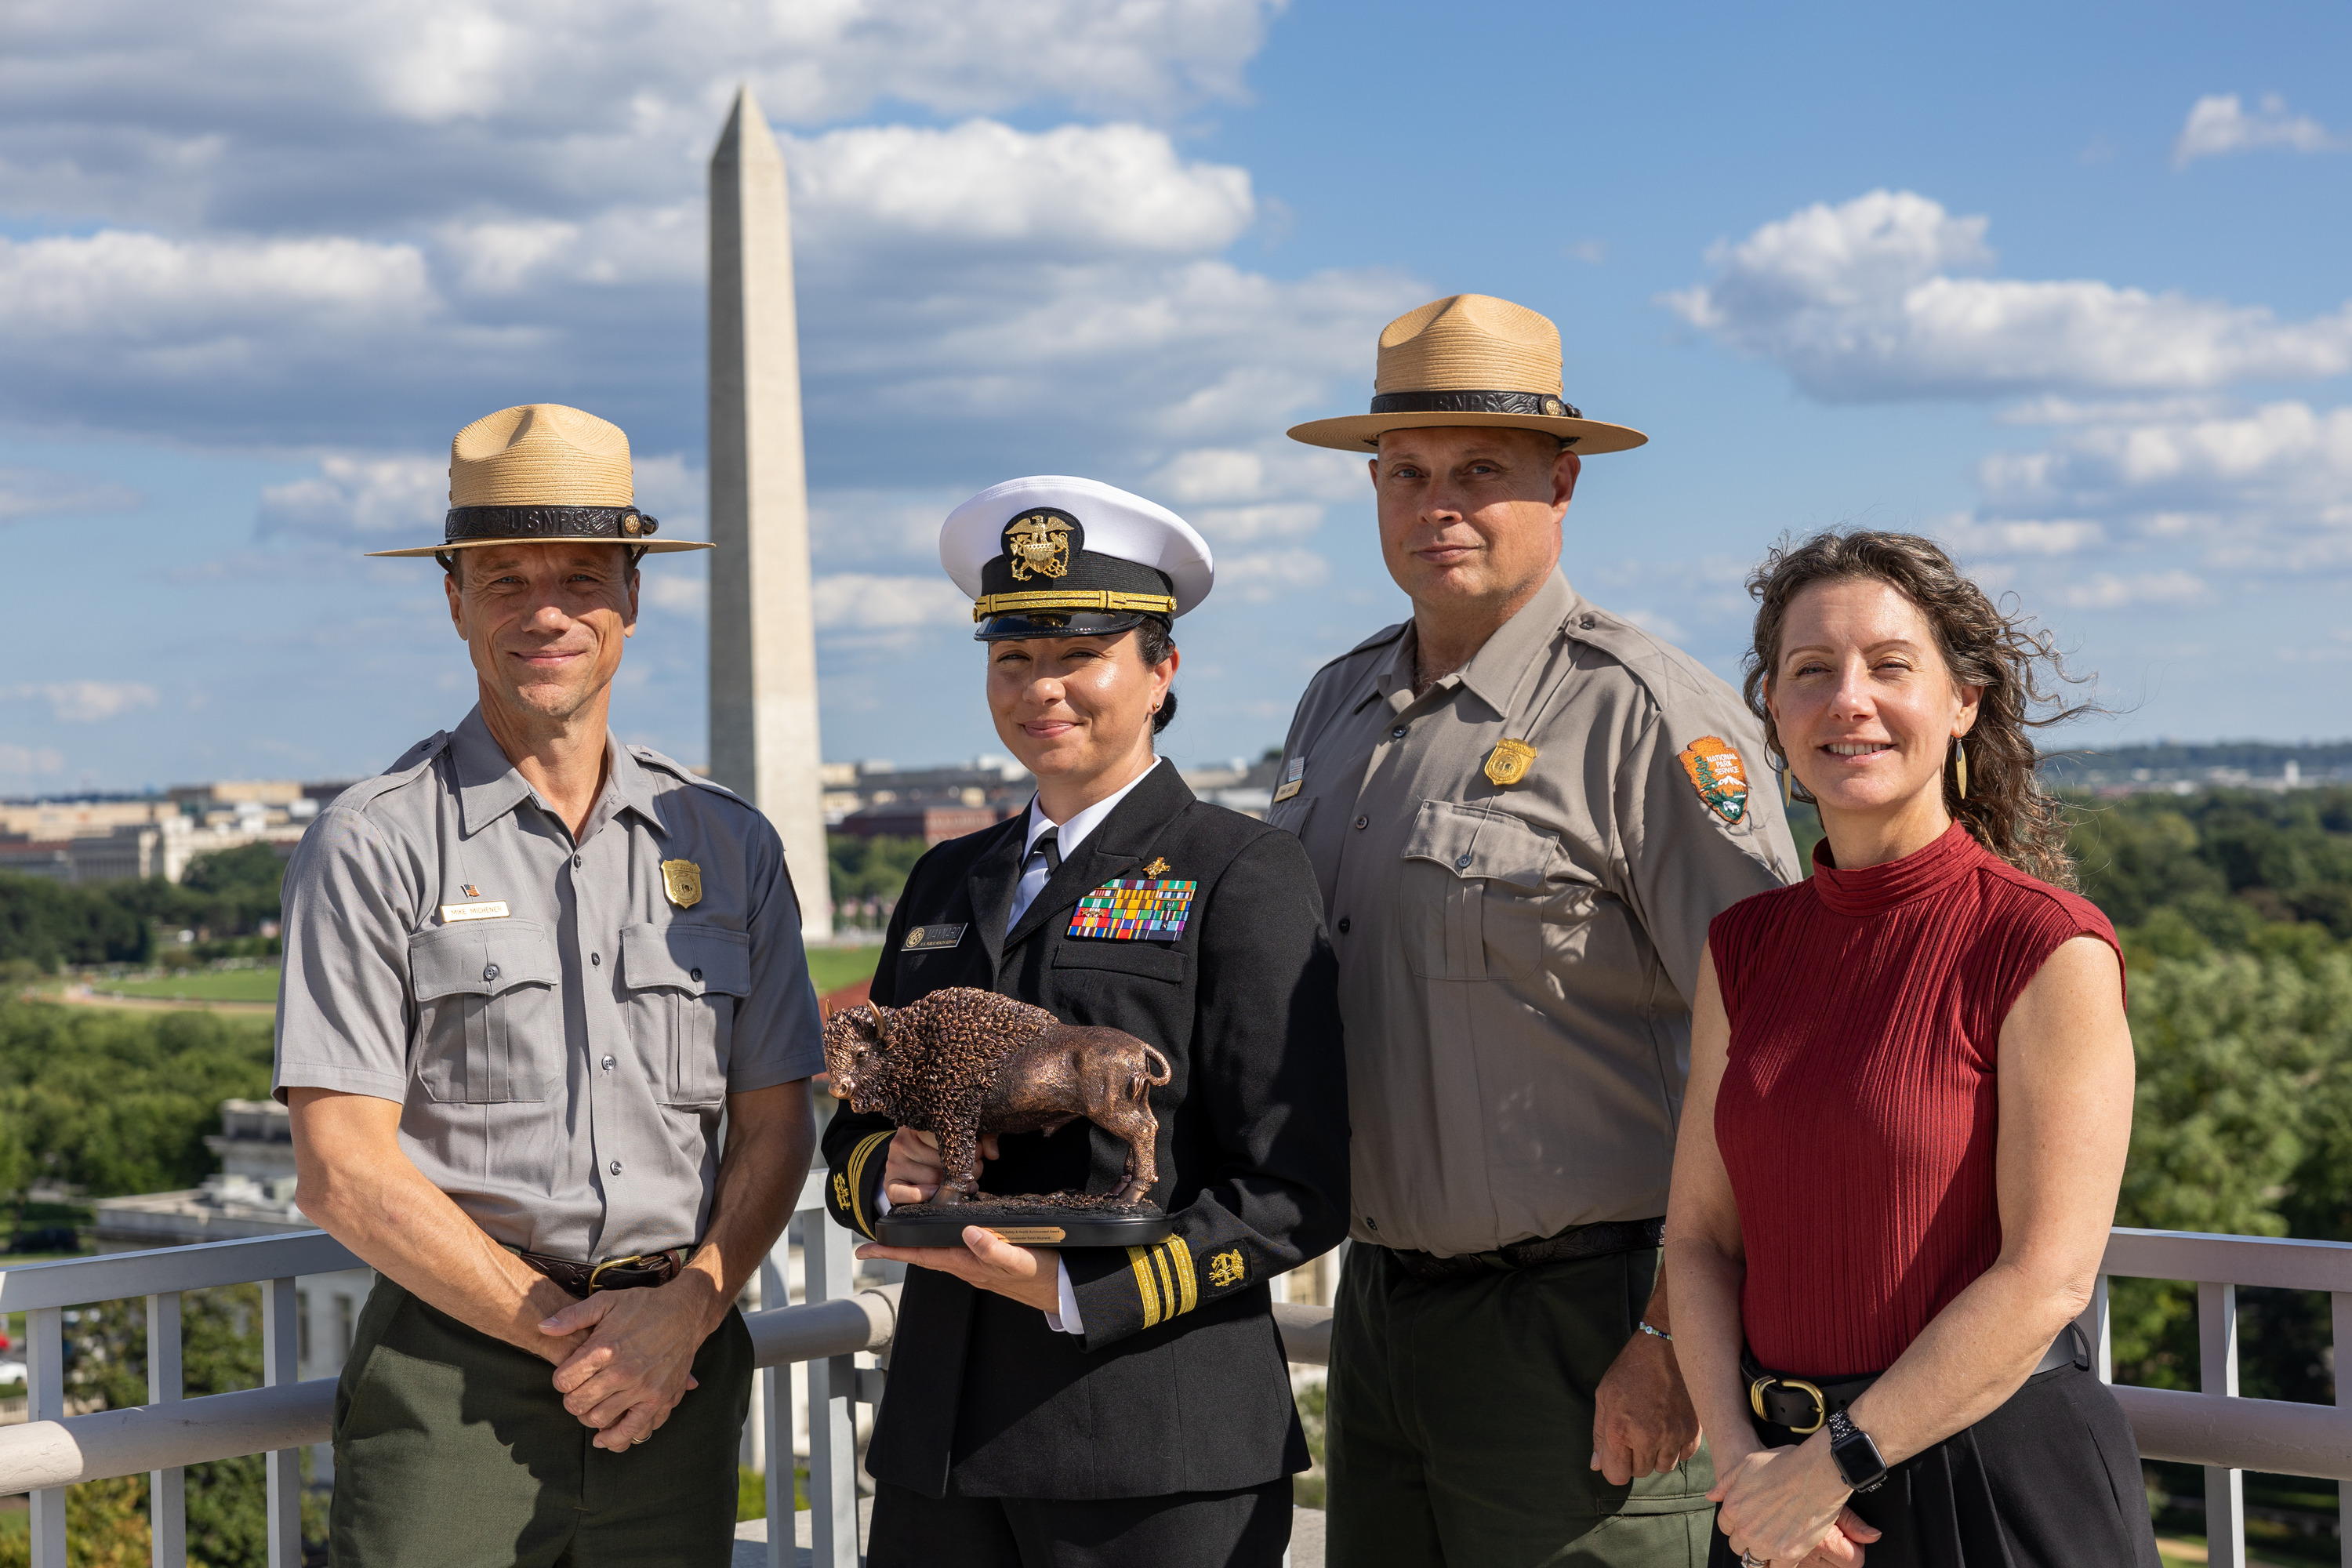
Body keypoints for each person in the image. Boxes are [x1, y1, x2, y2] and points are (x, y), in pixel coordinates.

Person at [1275, 293, 1802, 1566]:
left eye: (1479, 473)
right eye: (1403, 473)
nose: (1434, 505)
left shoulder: (1647, 717)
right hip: (1385, 1314)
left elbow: (1778, 1063)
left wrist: (1674, 1338)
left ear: (1564, 485)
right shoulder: (1335, 709)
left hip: (1595, 1322)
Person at [274, 403, 823, 1567]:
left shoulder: (731, 846)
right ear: (453, 598)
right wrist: (578, 1337)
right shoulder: (374, 844)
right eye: (504, 578)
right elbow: (342, 1171)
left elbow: (778, 1123)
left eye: (580, 574)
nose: (546, 611)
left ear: (632, 593)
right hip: (453, 1381)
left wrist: (687, 1311)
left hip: (678, 1366)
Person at [822, 476, 1350, 1568]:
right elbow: (857, 1120)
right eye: (1013, 659)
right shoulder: (940, 881)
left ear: (1161, 672)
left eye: (1079, 656)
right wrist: (889, 1172)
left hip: (1149, 1454)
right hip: (942, 1454)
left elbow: (1301, 1184)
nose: (1041, 689)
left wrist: (1073, 1288)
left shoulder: (1240, 873)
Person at [1664, 530, 2158, 1567]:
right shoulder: (1743, 948)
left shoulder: (2046, 944)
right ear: (1773, 708)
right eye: (1812, 672)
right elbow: (1700, 1240)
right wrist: (1748, 1466)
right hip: (1778, 1499)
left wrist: (1831, 1463)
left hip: (1989, 1481)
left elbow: (2047, 1277)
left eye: (1891, 666)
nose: (1849, 699)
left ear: (1963, 703)